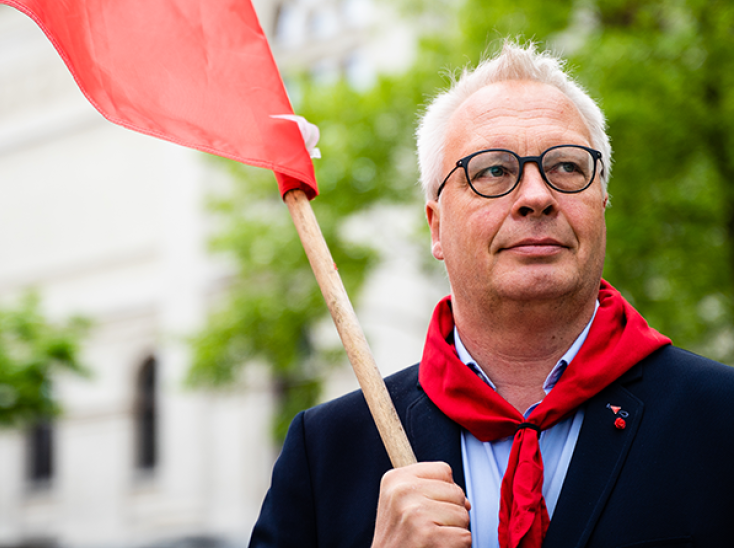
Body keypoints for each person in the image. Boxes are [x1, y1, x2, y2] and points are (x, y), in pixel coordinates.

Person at [249, 41, 734, 548]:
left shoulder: (721, 420)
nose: (537, 196)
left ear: (602, 203)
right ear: (437, 227)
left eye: (567, 167)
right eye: (493, 171)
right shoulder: (326, 451)